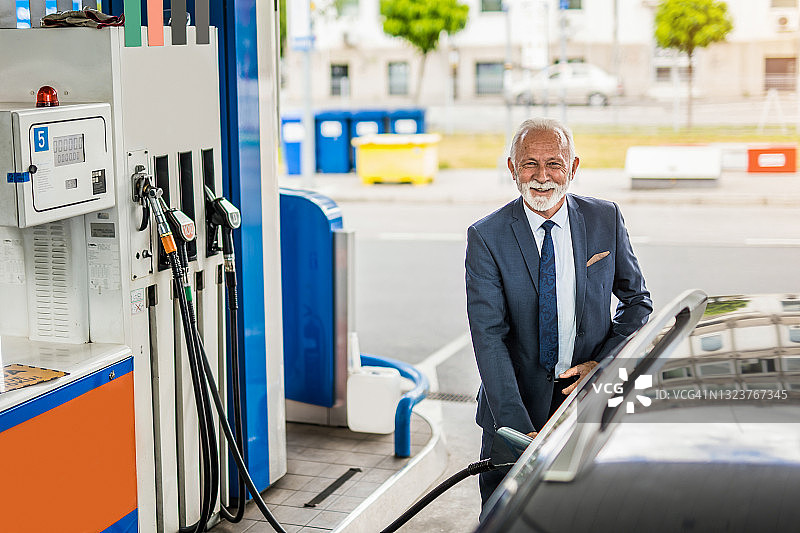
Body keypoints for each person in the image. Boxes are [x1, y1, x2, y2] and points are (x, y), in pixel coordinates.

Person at [465, 118, 652, 508]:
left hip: (584, 399)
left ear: (574, 167)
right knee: (506, 513)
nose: (542, 176)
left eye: (554, 163)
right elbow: (488, 336)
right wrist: (515, 426)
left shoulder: (605, 218)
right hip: (512, 405)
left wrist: (600, 363)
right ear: (512, 169)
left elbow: (637, 302)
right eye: (530, 164)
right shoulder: (487, 235)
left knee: (579, 510)